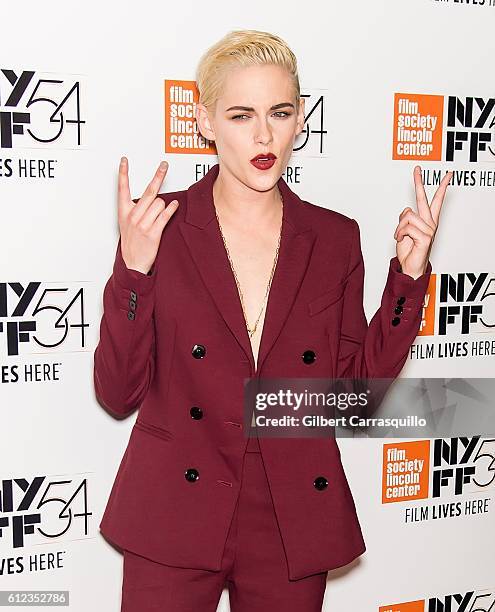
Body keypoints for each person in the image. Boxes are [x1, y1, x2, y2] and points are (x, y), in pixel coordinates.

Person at [93, 30, 452, 612]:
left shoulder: (335, 239)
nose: (264, 136)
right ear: (205, 121)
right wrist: (133, 272)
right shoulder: (161, 229)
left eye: (280, 113)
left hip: (289, 515)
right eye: (241, 115)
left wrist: (407, 282)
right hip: (174, 509)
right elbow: (116, 392)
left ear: (298, 119)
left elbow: (355, 398)